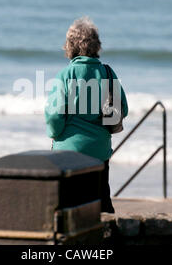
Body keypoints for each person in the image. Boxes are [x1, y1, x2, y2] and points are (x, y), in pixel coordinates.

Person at [45, 17, 129, 213]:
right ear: (96, 45)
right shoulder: (108, 73)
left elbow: (54, 117)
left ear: (70, 46)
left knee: (67, 205)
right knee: (100, 204)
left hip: (67, 152)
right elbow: (122, 109)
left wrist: (56, 135)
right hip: (99, 151)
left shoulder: (65, 75)